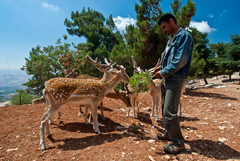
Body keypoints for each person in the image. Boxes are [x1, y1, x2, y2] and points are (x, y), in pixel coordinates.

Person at [152, 13, 194, 154]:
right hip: (167, 78)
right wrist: (160, 68)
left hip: (175, 78)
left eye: (164, 27)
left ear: (171, 21)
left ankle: (178, 143)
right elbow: (167, 58)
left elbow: (180, 61)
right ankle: (169, 133)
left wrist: (162, 73)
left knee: (169, 111)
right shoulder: (171, 39)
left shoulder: (184, 37)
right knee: (164, 107)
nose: (163, 31)